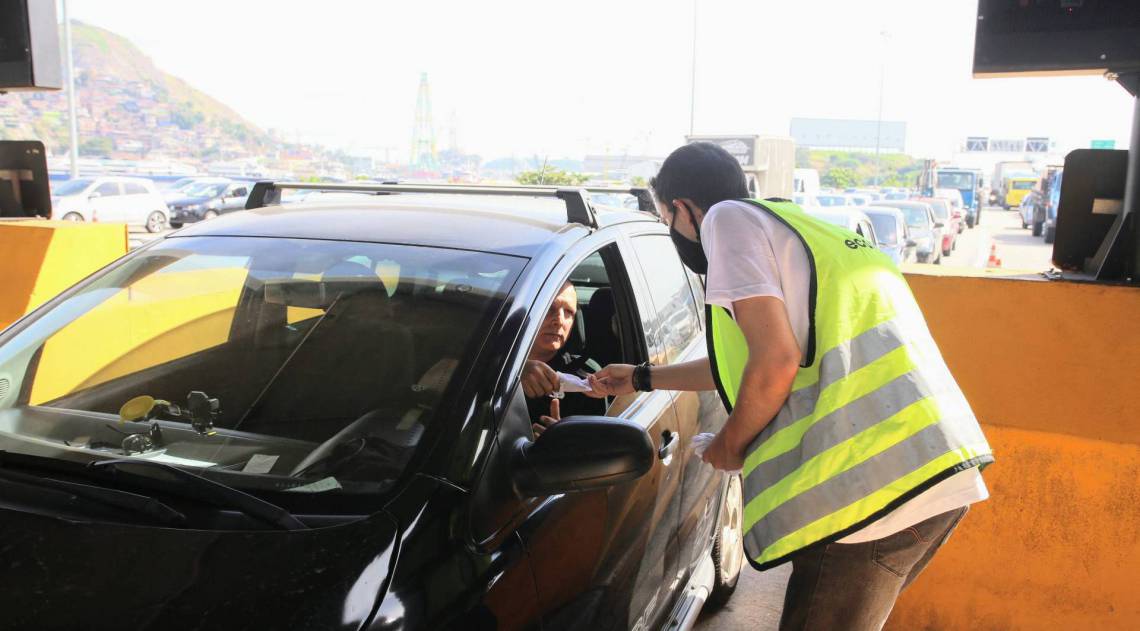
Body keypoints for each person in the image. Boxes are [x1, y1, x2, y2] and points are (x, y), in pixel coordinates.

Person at [587, 142, 993, 631]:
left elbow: (775, 362)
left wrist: (728, 445)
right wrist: (640, 377)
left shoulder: (727, 222)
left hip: (873, 487)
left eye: (666, 217)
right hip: (926, 465)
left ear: (683, 209)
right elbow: (743, 364)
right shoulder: (799, 228)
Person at [521, 281, 604, 437]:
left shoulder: (587, 378)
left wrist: (564, 441)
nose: (559, 320)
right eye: (549, 308)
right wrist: (515, 371)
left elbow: (596, 451)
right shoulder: (489, 361)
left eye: (568, 312)